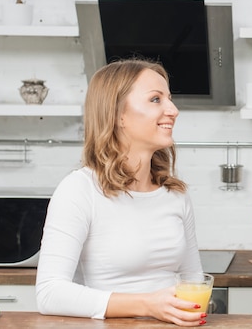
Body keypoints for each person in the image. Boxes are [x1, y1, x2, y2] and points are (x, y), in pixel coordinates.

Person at [36, 59, 207, 327]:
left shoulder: (175, 194)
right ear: (117, 115)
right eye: (155, 99)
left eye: (169, 99)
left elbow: (194, 280)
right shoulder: (80, 190)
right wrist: (148, 304)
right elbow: (49, 292)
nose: (173, 110)